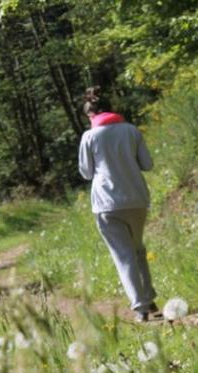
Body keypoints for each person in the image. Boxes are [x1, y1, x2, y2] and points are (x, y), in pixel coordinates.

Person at [78, 86, 159, 322]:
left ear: (90, 115)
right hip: (137, 199)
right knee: (138, 250)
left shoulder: (90, 137)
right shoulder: (131, 130)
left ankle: (141, 308)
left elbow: (86, 172)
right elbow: (147, 164)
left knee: (124, 256)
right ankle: (149, 298)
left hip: (106, 203)